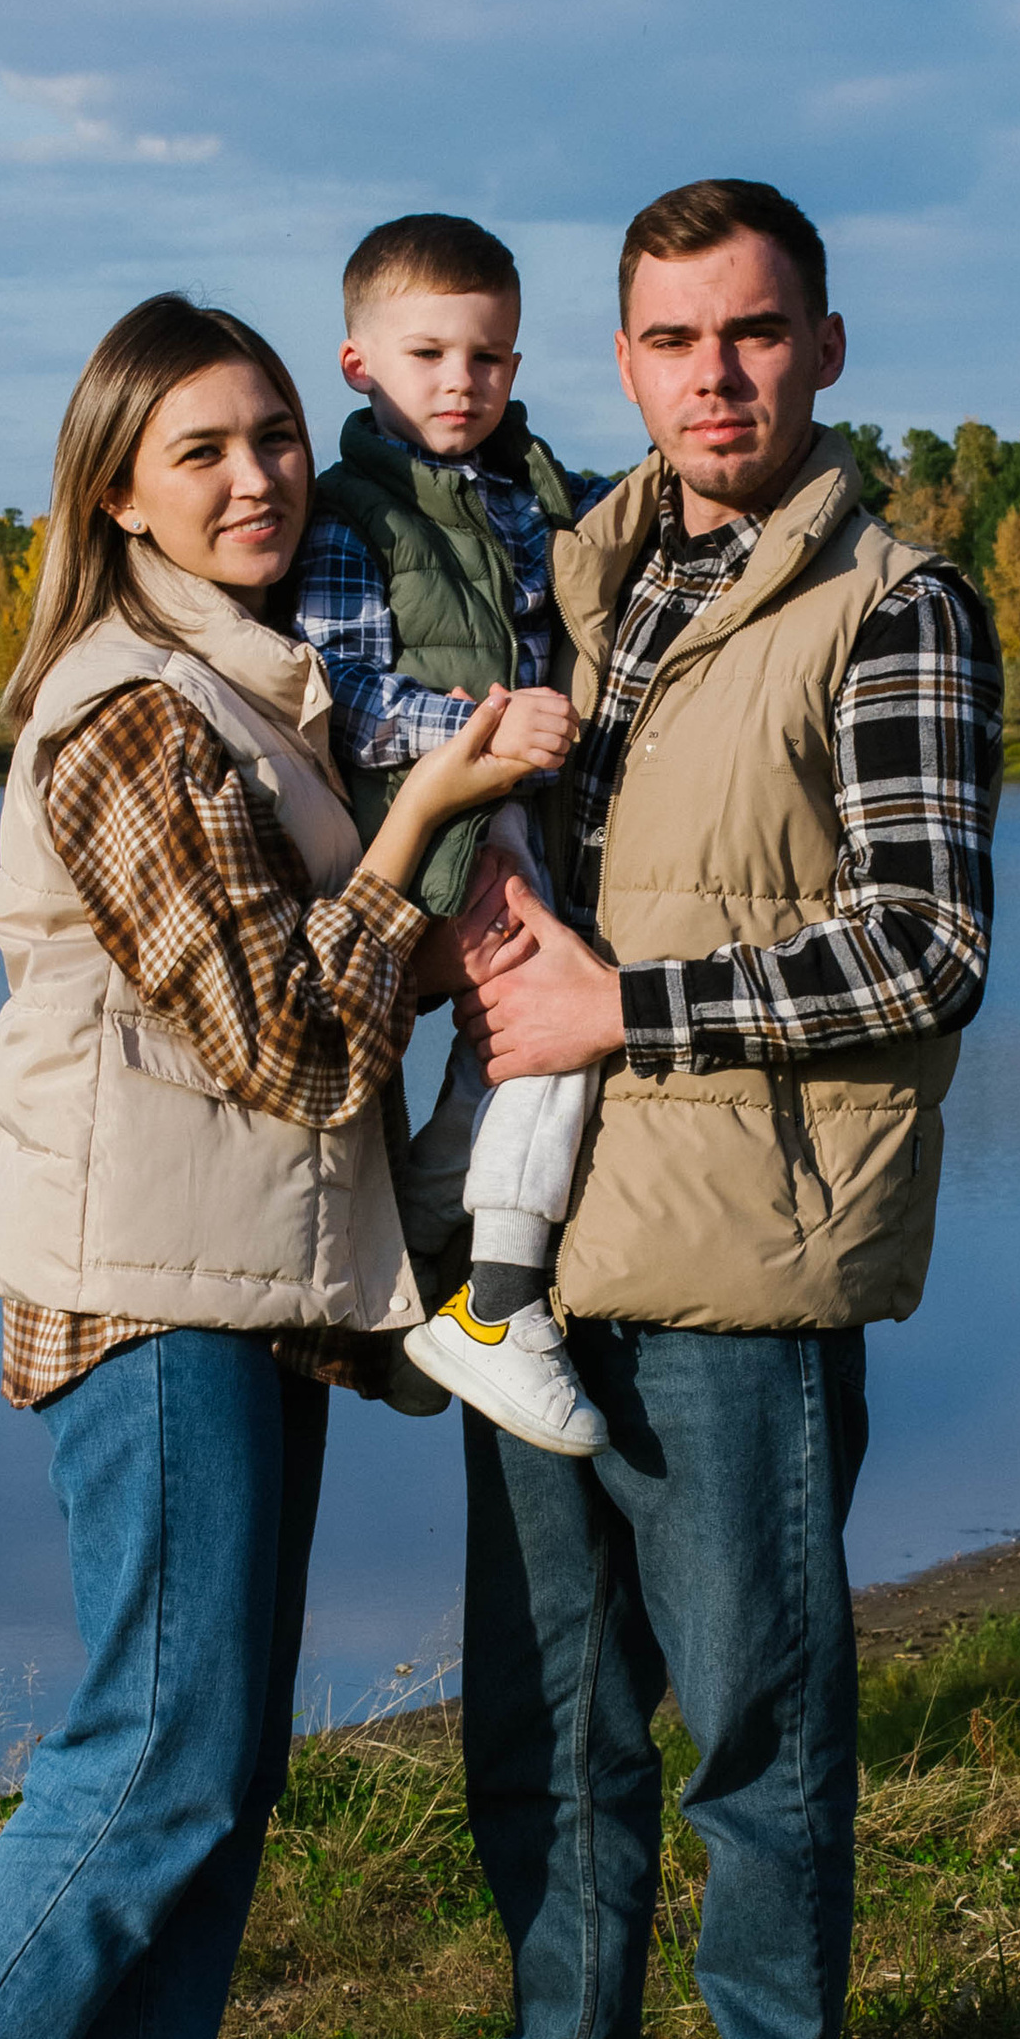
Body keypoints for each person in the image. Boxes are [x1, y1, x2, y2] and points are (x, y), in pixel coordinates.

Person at [0, 294, 565, 2039]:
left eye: (276, 440)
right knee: (152, 1745)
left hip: (256, 1281)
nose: (255, 477)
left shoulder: (261, 690)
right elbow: (282, 1038)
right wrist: (412, 834)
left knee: (213, 1758)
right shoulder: (132, 711)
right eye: (202, 449)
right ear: (113, 486)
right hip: (148, 1288)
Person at [376, 179, 1002, 2039]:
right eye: (669, 339)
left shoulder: (894, 604)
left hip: (741, 1253)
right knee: (549, 1721)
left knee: (753, 1721)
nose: (711, 377)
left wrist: (625, 1011)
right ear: (620, 361)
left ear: (823, 347)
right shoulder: (576, 568)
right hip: (532, 1261)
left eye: (750, 335)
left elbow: (928, 947)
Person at [293, 213, 618, 1458]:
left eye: (487, 358)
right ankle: (497, 1310)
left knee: (510, 1063)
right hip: (433, 830)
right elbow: (351, 701)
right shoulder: (350, 517)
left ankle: (425, 1263)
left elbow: (608, 553)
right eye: (427, 355)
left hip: (516, 813)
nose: (460, 384)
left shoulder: (530, 490)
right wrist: (486, 726)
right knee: (554, 1031)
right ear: (357, 364)